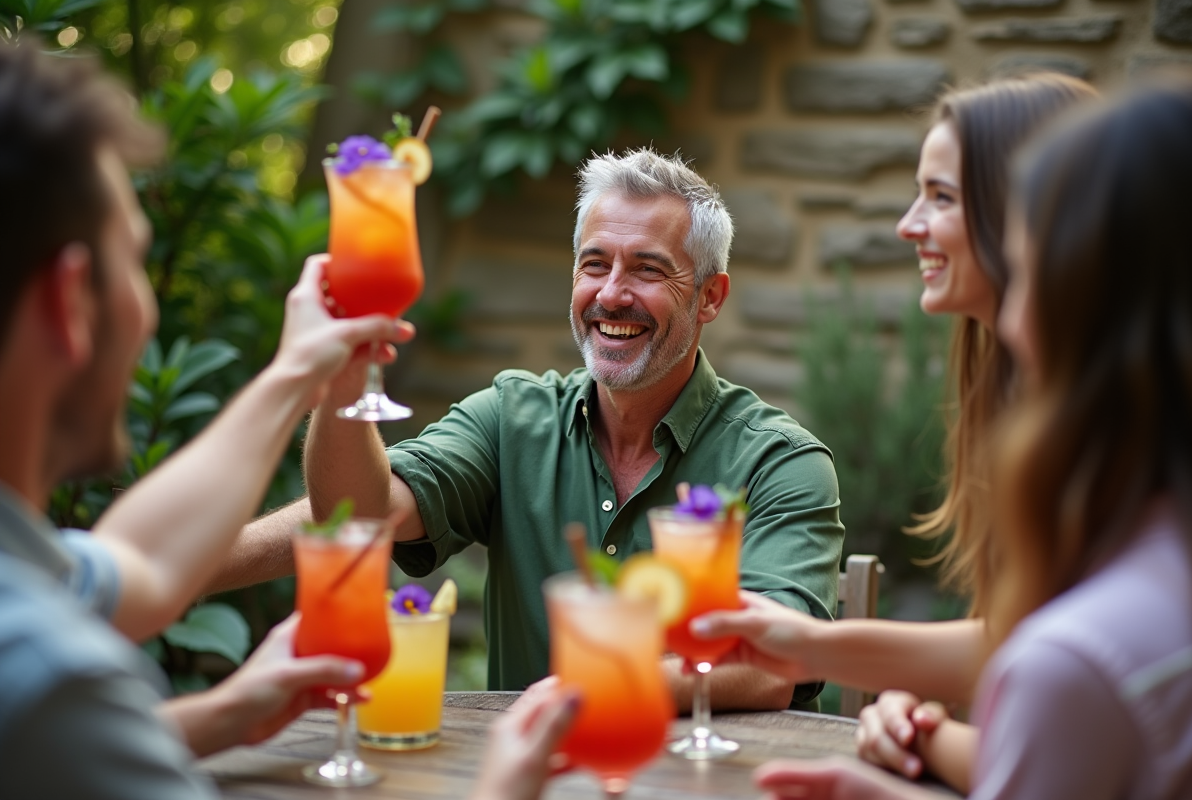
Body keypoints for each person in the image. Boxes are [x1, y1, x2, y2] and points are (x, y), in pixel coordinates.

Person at [690, 78, 1192, 799]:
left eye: (941, 196)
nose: (908, 225)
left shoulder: (1086, 642)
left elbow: (1059, 674)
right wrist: (815, 649)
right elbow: (1022, 653)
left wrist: (922, 739)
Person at [214, 148, 846, 711]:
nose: (611, 294)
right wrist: (341, 380)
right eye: (594, 264)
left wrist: (593, 688)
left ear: (710, 297)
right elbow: (358, 512)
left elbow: (775, 663)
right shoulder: (512, 417)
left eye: (648, 270)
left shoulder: (780, 462)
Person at [0, 42, 410, 796]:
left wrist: (224, 713)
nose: (146, 307)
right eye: (134, 259)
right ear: (71, 300)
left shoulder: (24, 581)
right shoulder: (50, 676)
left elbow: (139, 566)